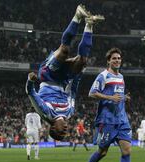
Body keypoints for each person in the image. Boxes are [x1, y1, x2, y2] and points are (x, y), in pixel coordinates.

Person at [26, 5, 104, 140]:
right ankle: (89, 25)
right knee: (82, 60)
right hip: (63, 80)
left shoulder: (46, 112)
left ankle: (77, 16)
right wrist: (79, 73)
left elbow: (31, 93)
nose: (66, 130)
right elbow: (73, 91)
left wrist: (30, 80)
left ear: (54, 128)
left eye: (62, 132)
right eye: (65, 133)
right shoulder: (69, 112)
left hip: (47, 75)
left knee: (64, 51)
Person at [78, 48, 142, 162]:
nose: (117, 60)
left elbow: (117, 95)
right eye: (114, 58)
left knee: (127, 150)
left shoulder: (121, 77)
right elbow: (92, 93)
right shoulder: (103, 76)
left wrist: (123, 97)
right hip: (107, 121)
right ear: (108, 61)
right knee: (102, 152)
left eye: (119, 58)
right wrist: (110, 98)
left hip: (122, 120)